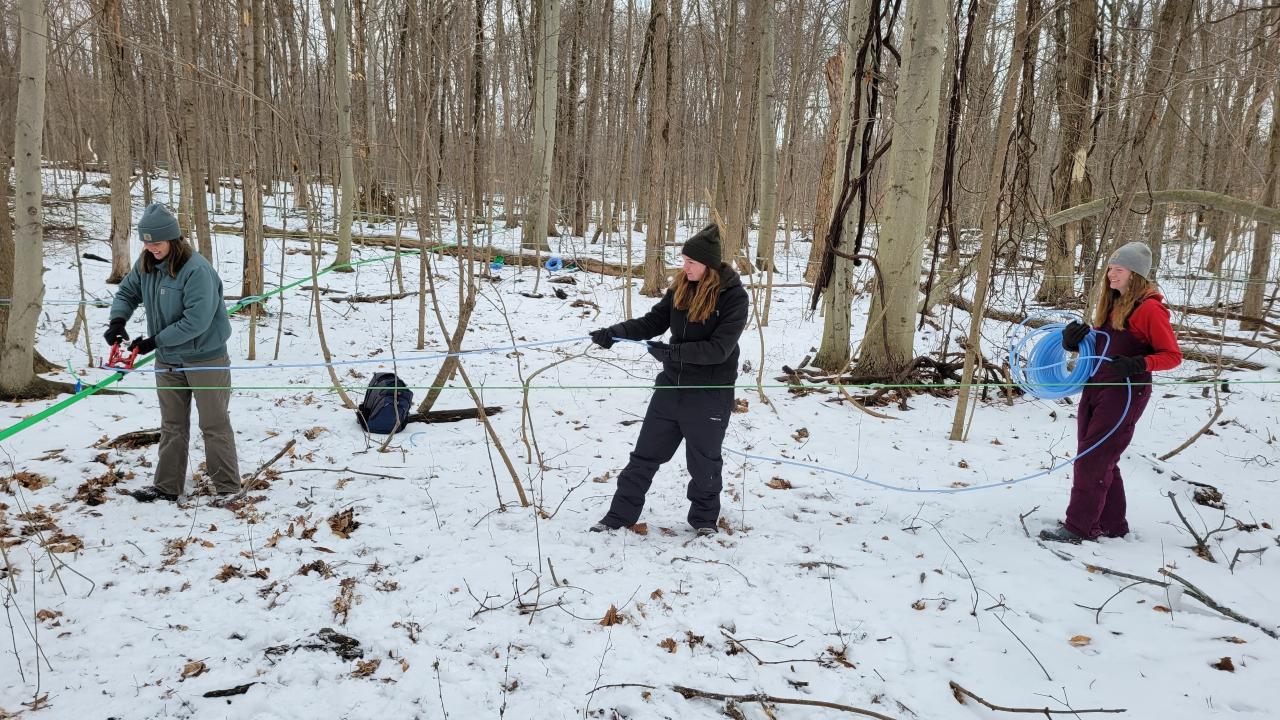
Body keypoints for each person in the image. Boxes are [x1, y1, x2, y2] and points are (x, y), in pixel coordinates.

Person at [588, 224, 749, 536]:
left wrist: (672, 353)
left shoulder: (734, 298)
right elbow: (653, 322)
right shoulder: (681, 289)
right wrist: (616, 333)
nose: (684, 266)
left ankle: (704, 521)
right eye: (684, 260)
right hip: (671, 389)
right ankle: (619, 516)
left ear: (708, 265)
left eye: (690, 261)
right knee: (643, 457)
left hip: (709, 394)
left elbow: (719, 349)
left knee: (704, 464)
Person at [1040, 241, 1182, 543]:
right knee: (1099, 456)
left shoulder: (1150, 309)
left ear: (1135, 275)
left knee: (1093, 457)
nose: (1110, 276)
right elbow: (1100, 345)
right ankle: (1111, 523)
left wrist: (1138, 363)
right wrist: (1072, 342)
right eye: (1109, 269)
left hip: (1126, 393)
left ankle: (1079, 527)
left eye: (1118, 270)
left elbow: (1172, 355)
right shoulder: (1113, 303)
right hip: (1096, 386)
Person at [104, 203, 241, 504]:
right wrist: (117, 321)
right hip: (168, 359)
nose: (151, 247)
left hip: (205, 357)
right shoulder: (146, 265)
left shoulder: (197, 270)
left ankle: (229, 487)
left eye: (157, 242)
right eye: (147, 242)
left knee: (214, 424)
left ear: (173, 239)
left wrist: (154, 342)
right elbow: (127, 293)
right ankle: (167, 486)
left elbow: (197, 321)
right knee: (172, 424)